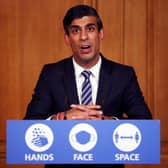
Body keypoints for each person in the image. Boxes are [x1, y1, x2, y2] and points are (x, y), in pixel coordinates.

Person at [24, 4, 152, 168]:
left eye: (90, 29)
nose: (83, 37)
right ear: (67, 38)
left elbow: (146, 126)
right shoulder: (51, 74)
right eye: (76, 31)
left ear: (100, 34)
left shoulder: (123, 75)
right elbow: (29, 125)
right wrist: (62, 119)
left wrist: (108, 123)